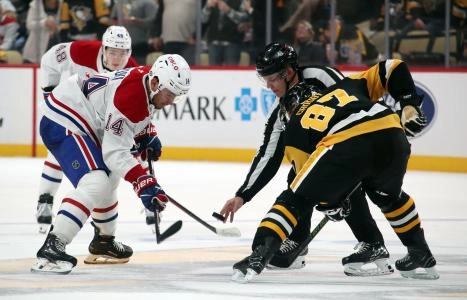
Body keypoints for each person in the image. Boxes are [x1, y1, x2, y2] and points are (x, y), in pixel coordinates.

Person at [230, 57, 438, 282]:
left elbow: (308, 185)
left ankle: (260, 253)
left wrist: (331, 202)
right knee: (387, 196)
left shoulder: (295, 127)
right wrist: (408, 102)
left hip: (347, 144)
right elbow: (393, 66)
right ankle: (420, 253)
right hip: (391, 131)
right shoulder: (347, 85)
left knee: (294, 197)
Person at [30, 53, 191, 274]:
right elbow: (114, 153)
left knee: (111, 178)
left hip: (86, 119)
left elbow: (135, 118)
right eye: (170, 94)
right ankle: (52, 246)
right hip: (63, 120)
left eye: (177, 96)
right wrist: (143, 182)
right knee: (96, 182)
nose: (171, 101)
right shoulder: (131, 98)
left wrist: (146, 133)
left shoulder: (148, 80)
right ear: (155, 83)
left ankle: (103, 242)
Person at [35, 25, 149, 234]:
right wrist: (48, 93)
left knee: (114, 162)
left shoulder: (132, 72)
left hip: (100, 122)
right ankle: (45, 199)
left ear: (130, 53)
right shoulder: (82, 50)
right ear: (103, 49)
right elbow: (49, 60)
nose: (117, 58)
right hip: (72, 112)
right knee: (58, 153)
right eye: (112, 52)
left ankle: (110, 221)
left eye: (123, 53)